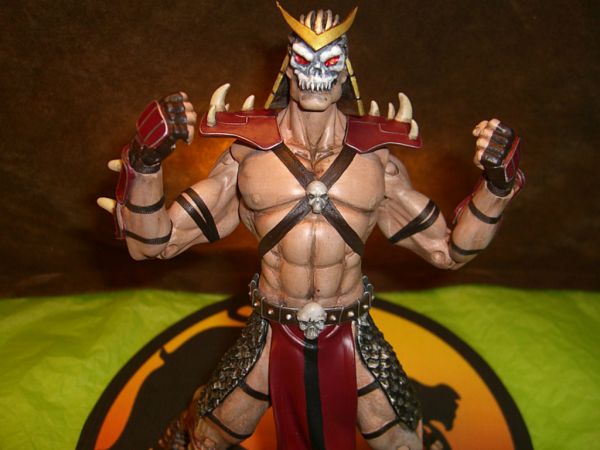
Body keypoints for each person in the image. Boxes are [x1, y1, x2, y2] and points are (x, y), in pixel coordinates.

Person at [98, 4, 524, 450]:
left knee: (404, 443)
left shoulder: (375, 162)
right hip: (271, 331)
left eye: (330, 59)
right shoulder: (248, 157)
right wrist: (145, 162)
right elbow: (154, 244)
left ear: (345, 71)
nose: (317, 71)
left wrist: (497, 187)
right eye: (305, 57)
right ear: (289, 65)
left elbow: (449, 251)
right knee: (203, 436)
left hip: (352, 331)